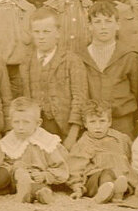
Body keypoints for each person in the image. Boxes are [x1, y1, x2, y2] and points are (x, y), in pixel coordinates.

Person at [23, 8, 89, 144]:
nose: (41, 36)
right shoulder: (26, 62)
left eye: (46, 32)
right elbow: (26, 99)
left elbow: (80, 98)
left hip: (65, 129)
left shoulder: (71, 60)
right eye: (36, 32)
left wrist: (72, 135)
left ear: (58, 33)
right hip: (37, 130)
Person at [77, 3, 138, 136]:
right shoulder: (80, 57)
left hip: (121, 121)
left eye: (108, 21)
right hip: (91, 122)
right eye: (97, 22)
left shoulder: (129, 55)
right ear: (89, 25)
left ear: (117, 25)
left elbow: (137, 90)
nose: (103, 27)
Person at [0, 96, 71, 204]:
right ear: (11, 122)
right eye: (16, 122)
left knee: (42, 187)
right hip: (17, 180)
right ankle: (25, 190)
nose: (20, 127)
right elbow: (3, 166)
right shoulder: (8, 142)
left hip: (40, 178)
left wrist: (45, 175)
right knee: (20, 171)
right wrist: (16, 168)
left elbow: (61, 169)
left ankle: (40, 194)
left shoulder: (46, 141)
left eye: (26, 122)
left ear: (38, 123)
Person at [67, 102, 135, 204]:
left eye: (102, 121)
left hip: (119, 175)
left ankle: (118, 193)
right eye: (92, 122)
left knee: (123, 179)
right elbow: (75, 168)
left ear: (109, 122)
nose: (98, 127)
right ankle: (106, 193)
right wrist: (77, 188)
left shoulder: (120, 139)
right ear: (85, 124)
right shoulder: (84, 143)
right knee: (106, 174)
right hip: (96, 181)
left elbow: (131, 158)